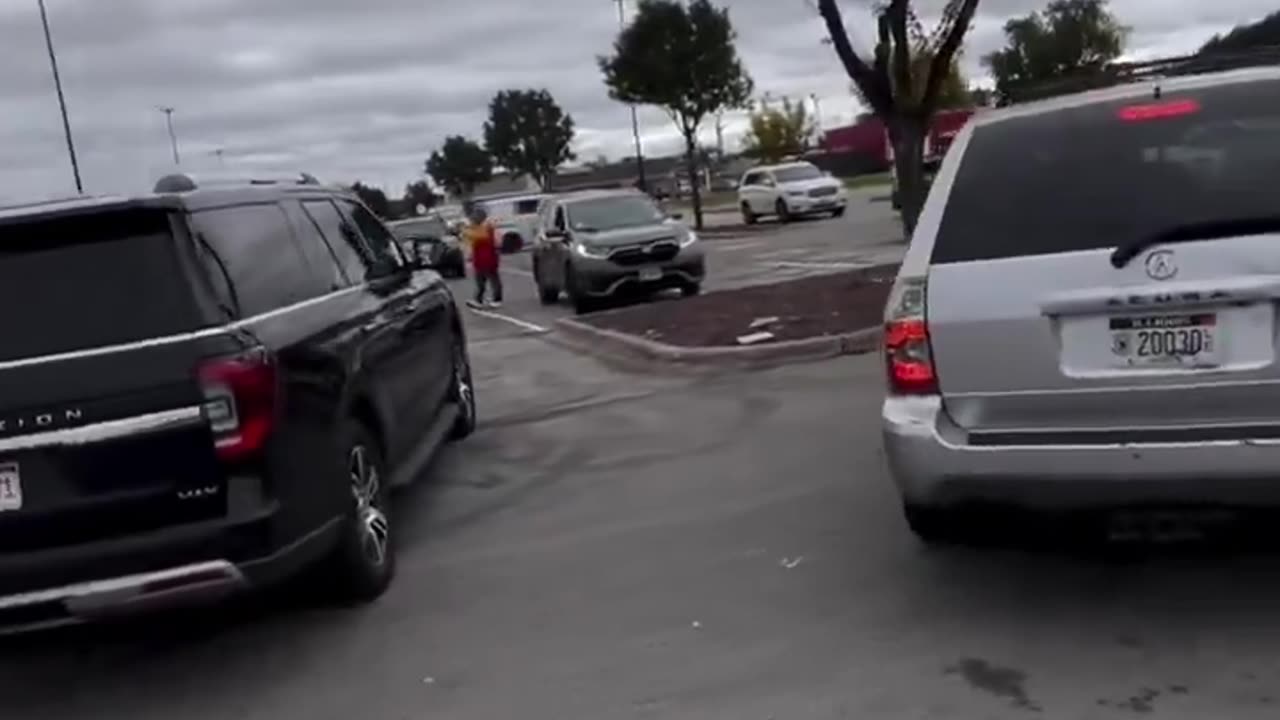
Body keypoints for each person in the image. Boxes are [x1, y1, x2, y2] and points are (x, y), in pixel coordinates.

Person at [461, 202, 502, 309]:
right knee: (483, 280)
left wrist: (465, 232)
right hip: (482, 258)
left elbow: (479, 236)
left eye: (475, 216)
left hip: (487, 258)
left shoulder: (485, 227)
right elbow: (470, 239)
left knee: (490, 279)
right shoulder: (479, 227)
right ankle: (480, 299)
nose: (473, 219)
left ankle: (495, 299)